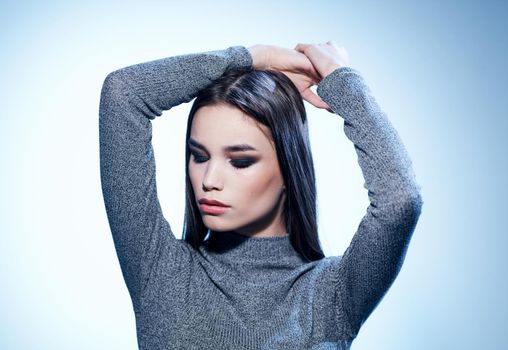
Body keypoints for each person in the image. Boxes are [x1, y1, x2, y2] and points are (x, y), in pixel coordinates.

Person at [99, 41, 423, 350]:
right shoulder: (162, 272)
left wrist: (341, 80)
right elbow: (123, 93)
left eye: (240, 161)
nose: (209, 180)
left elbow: (400, 201)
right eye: (199, 156)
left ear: (289, 169)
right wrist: (253, 57)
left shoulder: (331, 294)